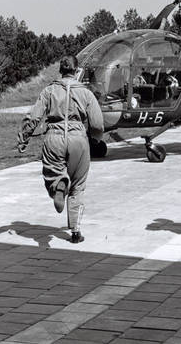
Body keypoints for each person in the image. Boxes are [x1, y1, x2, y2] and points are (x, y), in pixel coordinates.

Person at [17, 55, 104, 243]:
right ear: (77, 70)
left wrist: (24, 138)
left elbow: (34, 117)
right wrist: (96, 139)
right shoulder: (86, 93)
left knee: (52, 173)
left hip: (54, 137)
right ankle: (75, 232)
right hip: (78, 138)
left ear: (60, 70)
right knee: (78, 186)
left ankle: (58, 185)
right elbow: (97, 123)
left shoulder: (49, 90)